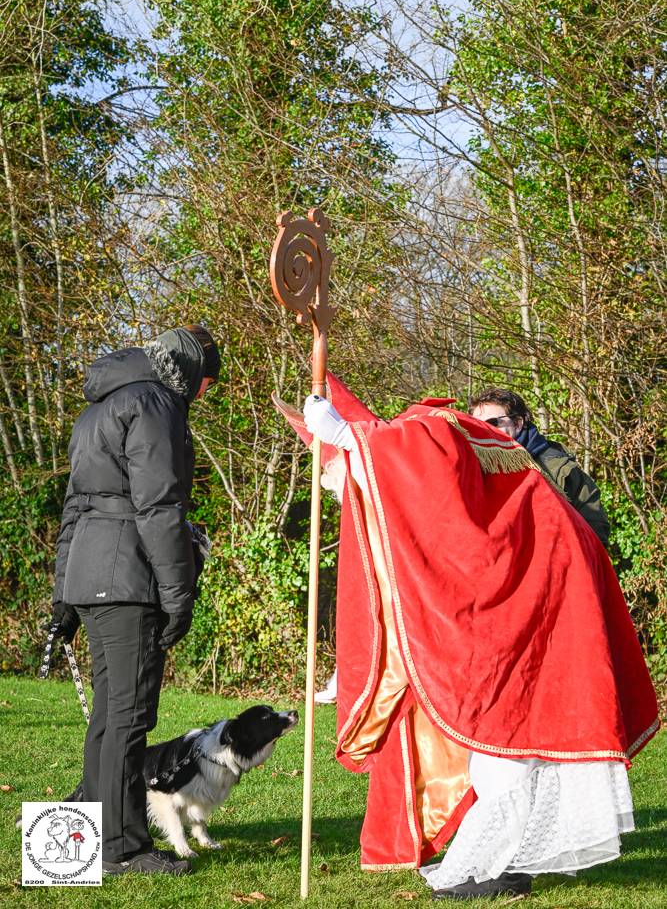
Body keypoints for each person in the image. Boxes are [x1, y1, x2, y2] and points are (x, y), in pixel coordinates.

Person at [289, 377, 658, 899]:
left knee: (508, 743)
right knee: (512, 744)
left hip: (540, 606)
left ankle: (500, 868)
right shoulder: (465, 443)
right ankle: (505, 865)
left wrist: (351, 439)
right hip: (543, 602)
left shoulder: (440, 433)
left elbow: (429, 491)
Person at [48, 325, 220, 876]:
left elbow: (75, 510)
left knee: (109, 714)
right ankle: (122, 847)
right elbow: (159, 508)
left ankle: (89, 831)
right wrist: (179, 594)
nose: (200, 396)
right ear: (189, 372)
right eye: (205, 385)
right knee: (128, 716)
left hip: (92, 576)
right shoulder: (155, 403)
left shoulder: (100, 408)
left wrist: (64, 600)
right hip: (128, 578)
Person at [469, 388, 610, 548]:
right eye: (477, 425)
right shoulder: (474, 469)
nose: (485, 430)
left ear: (518, 423)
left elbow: (595, 525)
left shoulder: (558, 467)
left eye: (493, 422)